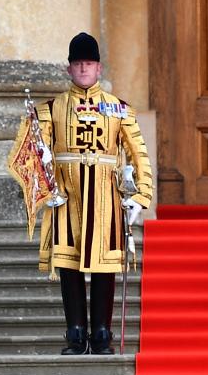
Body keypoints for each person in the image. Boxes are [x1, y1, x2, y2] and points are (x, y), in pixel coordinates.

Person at [27, 32, 152, 355]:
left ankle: (101, 333)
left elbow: (138, 153)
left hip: (106, 199)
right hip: (66, 198)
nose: (83, 69)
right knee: (68, 265)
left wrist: (140, 196)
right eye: (78, 64)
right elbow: (30, 154)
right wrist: (43, 191)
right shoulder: (50, 109)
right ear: (69, 69)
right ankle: (75, 333)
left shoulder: (119, 109)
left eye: (89, 64)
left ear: (99, 68)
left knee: (104, 265)